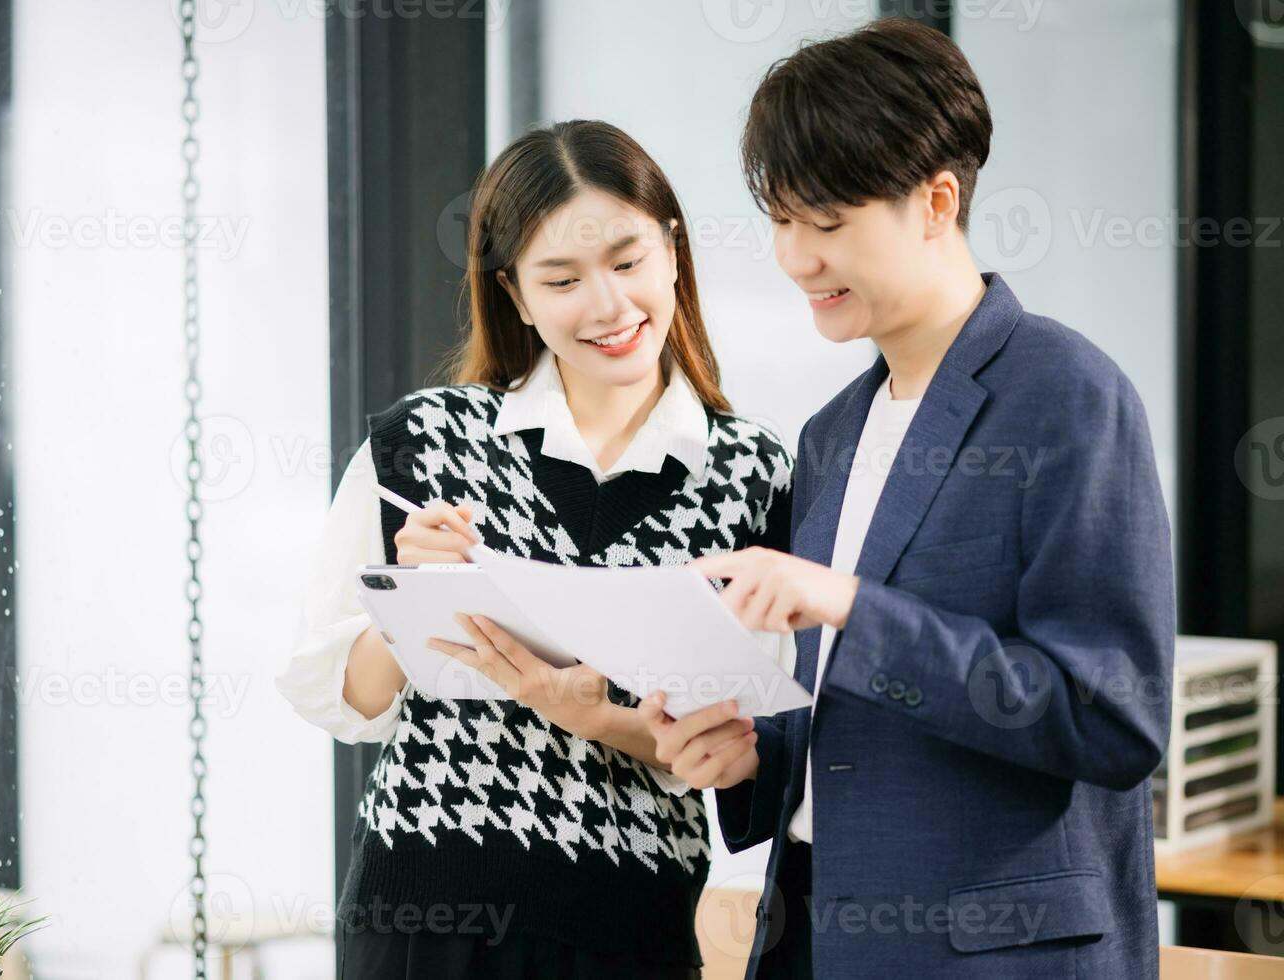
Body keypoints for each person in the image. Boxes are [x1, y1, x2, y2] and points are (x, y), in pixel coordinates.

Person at [641, 19, 1174, 979]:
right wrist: (759, 754)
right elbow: (861, 707)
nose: (796, 258)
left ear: (936, 202)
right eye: (781, 221)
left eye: (829, 222)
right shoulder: (831, 434)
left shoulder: (1068, 396)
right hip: (811, 935)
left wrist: (849, 606)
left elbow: (1111, 718)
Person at [276, 119, 794, 979]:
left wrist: (590, 715)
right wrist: (404, 597)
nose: (607, 306)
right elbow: (338, 696)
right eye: (561, 279)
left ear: (673, 253)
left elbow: (740, 741)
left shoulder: (754, 473)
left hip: (630, 925)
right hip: (422, 915)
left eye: (628, 263)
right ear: (516, 295)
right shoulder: (427, 441)